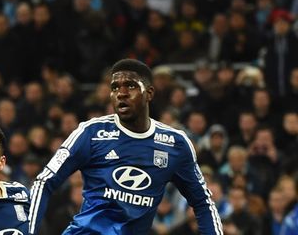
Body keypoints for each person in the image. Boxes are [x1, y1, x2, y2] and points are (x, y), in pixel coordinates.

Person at [28, 59, 223, 234]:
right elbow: (44, 182)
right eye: (115, 87)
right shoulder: (91, 133)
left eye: (130, 86)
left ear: (149, 93)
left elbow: (203, 202)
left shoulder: (175, 144)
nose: (121, 93)